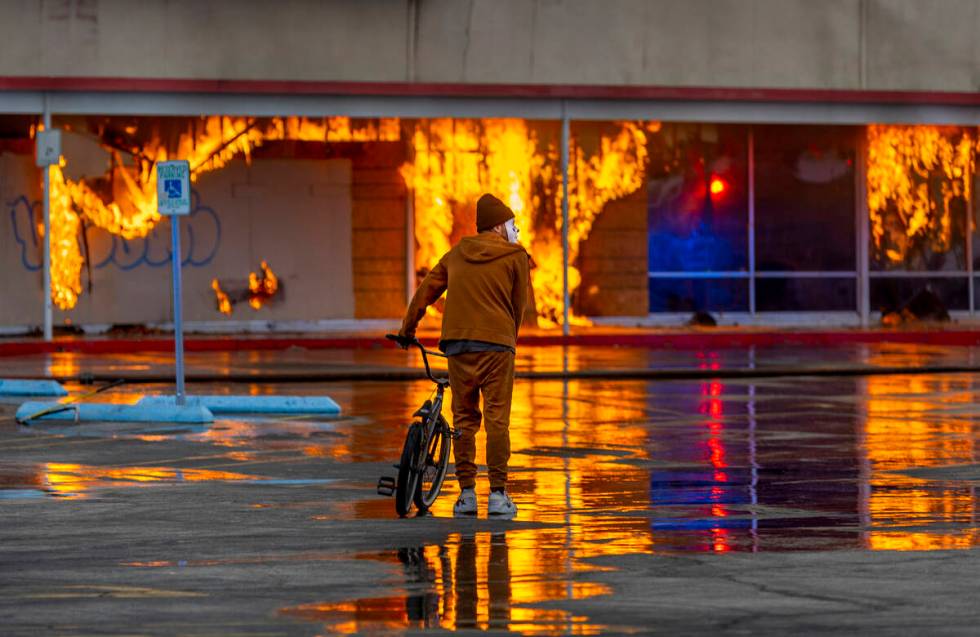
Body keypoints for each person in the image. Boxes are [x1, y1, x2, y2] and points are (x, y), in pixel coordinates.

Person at [398, 193, 530, 517]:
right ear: (499, 225)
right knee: (497, 420)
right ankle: (498, 496)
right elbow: (519, 306)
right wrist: (506, 339)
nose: (515, 230)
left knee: (464, 420)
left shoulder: (456, 254)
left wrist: (407, 330)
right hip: (498, 347)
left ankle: (466, 495)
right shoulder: (516, 256)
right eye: (512, 224)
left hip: (458, 345)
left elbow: (426, 290)